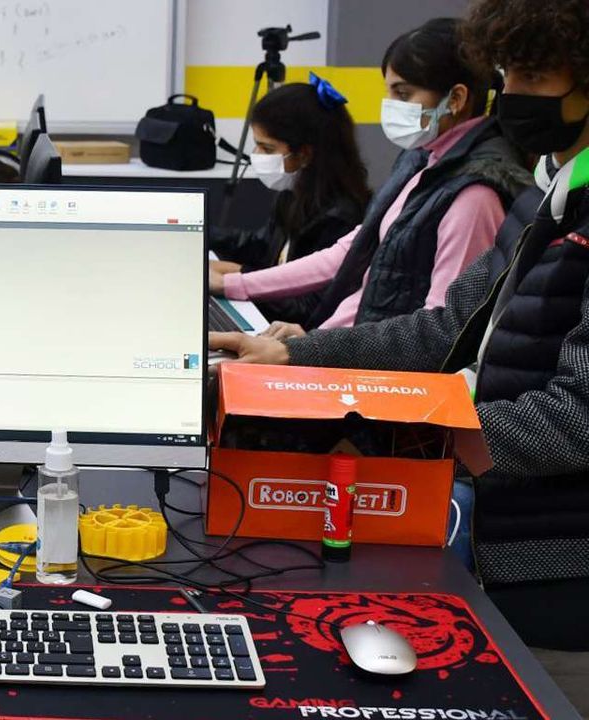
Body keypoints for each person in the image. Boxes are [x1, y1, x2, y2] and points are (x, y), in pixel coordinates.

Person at [210, 0, 589, 665]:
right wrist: (296, 356)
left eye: (533, 78)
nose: (511, 97)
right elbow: (447, 325)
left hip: (558, 569)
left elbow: (577, 417)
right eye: (508, 76)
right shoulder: (546, 194)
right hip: (497, 528)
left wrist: (409, 427)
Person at [210, 18, 531, 339]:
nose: (390, 105)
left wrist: (312, 346)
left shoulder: (474, 197)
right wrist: (239, 287)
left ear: (456, 99)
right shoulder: (421, 162)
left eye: (402, 93)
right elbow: (350, 257)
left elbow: (441, 331)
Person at [209, 74, 370, 324]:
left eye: (267, 148)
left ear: (304, 154)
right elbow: (262, 247)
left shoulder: (341, 217)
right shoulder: (294, 192)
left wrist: (237, 274)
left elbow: (307, 308)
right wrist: (202, 234)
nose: (256, 155)